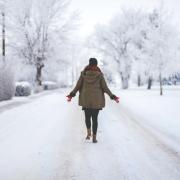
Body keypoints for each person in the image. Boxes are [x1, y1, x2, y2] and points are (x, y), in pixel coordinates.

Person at [67, 58, 119, 143]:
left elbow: (78, 86)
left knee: (87, 117)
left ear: (89, 64)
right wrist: (113, 96)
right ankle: (94, 138)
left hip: (85, 99)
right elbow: (105, 88)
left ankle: (88, 134)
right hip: (97, 100)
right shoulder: (99, 75)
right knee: (95, 119)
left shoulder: (83, 74)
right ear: (96, 64)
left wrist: (71, 95)